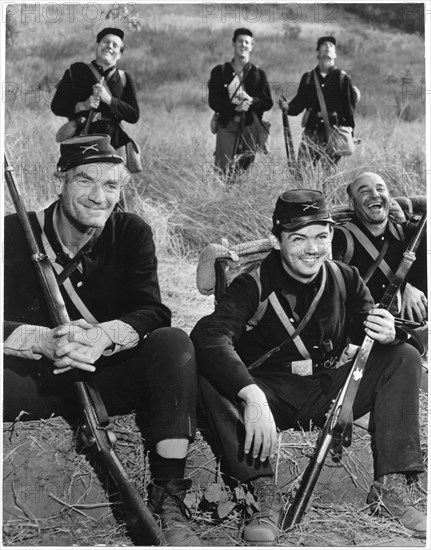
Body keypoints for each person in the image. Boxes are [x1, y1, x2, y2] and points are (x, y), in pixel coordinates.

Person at [191, 189, 426, 544]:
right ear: (276, 239)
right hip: (269, 395)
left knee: (403, 356)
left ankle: (389, 488)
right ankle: (262, 495)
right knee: (209, 376)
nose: (312, 249)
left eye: (321, 236)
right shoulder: (252, 283)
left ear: (331, 236)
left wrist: (391, 333)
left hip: (325, 390)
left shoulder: (345, 277)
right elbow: (208, 336)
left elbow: (381, 338)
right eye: (298, 239)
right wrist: (250, 394)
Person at [3, 135, 200, 546]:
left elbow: (152, 311)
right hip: (33, 379)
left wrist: (101, 337)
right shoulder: (12, 233)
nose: (98, 196)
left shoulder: (131, 232)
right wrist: (40, 340)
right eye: (85, 180)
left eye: (110, 185)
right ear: (60, 179)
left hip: (104, 376)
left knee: (173, 344)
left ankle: (168, 497)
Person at [332, 172, 427, 323]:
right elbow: (335, 291)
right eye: (365, 191)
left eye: (380, 189)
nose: (375, 194)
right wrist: (401, 291)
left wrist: (413, 287)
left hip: (412, 327)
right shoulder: (338, 238)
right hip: (365, 329)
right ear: (351, 203)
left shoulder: (408, 231)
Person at [51, 28, 139, 151]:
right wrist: (82, 106)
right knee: (66, 170)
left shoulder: (125, 78)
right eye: (106, 42)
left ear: (119, 54)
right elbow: (57, 106)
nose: (109, 46)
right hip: (80, 138)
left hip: (114, 143)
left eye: (115, 45)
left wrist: (109, 100)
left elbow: (134, 115)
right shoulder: (75, 71)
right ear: (97, 46)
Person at [279, 36, 356, 168]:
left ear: (335, 54)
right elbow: (299, 102)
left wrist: (349, 134)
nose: (328, 47)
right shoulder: (308, 77)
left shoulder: (342, 78)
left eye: (331, 45)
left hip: (334, 131)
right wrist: (287, 107)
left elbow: (349, 109)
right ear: (318, 53)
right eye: (324, 45)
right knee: (303, 171)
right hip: (311, 131)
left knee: (329, 174)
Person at [208, 27, 273, 174]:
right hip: (227, 124)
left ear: (251, 46)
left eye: (246, 42)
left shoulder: (259, 74)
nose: (243, 45)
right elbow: (213, 101)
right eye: (240, 41)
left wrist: (252, 101)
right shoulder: (220, 71)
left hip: (250, 126)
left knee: (244, 171)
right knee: (222, 169)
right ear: (233, 43)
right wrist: (233, 108)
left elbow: (267, 102)